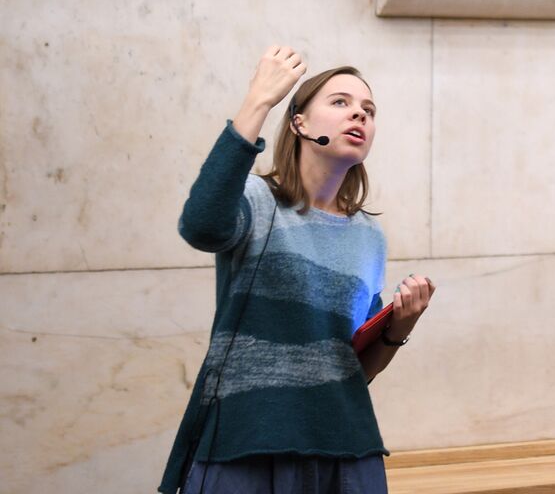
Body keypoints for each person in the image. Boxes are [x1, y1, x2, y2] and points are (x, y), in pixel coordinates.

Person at [159, 48, 435, 493]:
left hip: (346, 447)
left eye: (368, 110)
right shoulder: (255, 200)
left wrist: (398, 327)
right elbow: (201, 227)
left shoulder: (368, 236)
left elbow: (355, 369)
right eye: (340, 102)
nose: (359, 116)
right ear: (299, 123)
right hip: (247, 443)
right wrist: (258, 101)